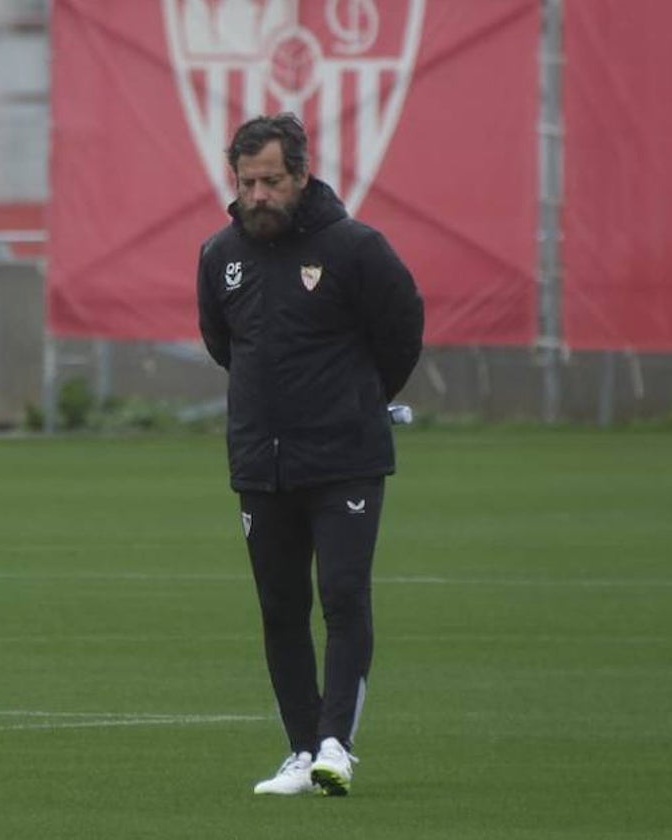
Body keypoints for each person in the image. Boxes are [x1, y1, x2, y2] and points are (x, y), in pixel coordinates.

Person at [196, 113, 424, 796]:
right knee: (279, 607)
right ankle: (299, 751)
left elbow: (401, 332)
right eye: (246, 181)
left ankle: (336, 745)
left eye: (270, 180)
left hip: (345, 458)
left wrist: (355, 400)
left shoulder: (356, 248)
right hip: (260, 465)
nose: (257, 194)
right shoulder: (219, 255)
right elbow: (222, 344)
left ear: (300, 173)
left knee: (344, 597)